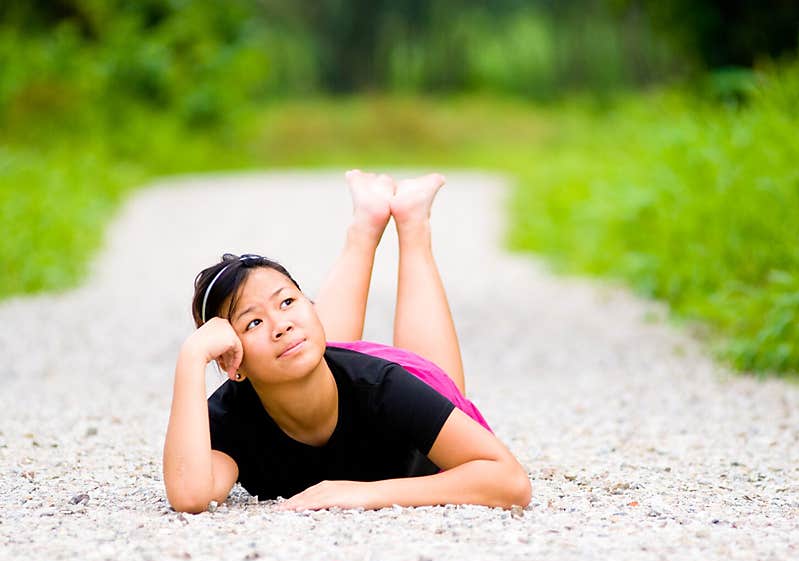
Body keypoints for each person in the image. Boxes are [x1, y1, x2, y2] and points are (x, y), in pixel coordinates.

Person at [163, 170, 531, 514]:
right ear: (232, 363)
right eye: (253, 322)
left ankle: (411, 222)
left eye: (289, 301)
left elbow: (509, 481)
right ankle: (371, 218)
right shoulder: (232, 416)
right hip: (329, 372)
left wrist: (367, 492)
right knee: (305, 352)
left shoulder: (385, 386)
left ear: (311, 304)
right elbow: (190, 495)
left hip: (391, 383)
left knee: (423, 374)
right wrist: (192, 356)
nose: (280, 325)